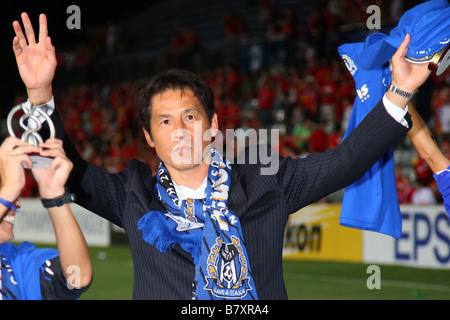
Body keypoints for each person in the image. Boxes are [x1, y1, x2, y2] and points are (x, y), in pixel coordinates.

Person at [12, 12, 432, 300]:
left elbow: (346, 160)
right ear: (149, 138)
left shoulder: (267, 179)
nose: (179, 130)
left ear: (212, 126)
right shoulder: (132, 193)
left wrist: (399, 92)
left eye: (190, 116)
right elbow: (65, 167)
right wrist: (39, 94)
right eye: (164, 122)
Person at [0, 137, 92, 300]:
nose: (16, 203)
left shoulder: (18, 261)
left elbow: (77, 279)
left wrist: (54, 195)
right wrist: (10, 189)